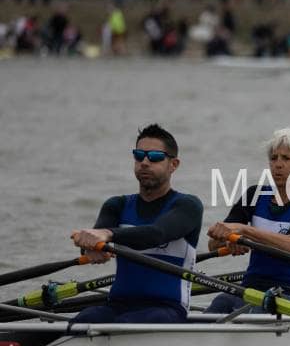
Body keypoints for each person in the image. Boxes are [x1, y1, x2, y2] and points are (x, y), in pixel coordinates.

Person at [69, 124, 203, 323]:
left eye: (155, 157)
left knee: (125, 324)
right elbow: (96, 238)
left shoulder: (188, 206)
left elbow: (155, 234)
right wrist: (90, 247)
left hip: (167, 309)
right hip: (118, 305)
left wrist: (107, 235)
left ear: (173, 164)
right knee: (84, 319)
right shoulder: (117, 205)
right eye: (139, 155)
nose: (145, 162)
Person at [205, 128, 290, 311]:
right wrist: (229, 241)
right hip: (249, 287)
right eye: (273, 158)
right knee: (220, 303)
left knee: (252, 311)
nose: (278, 164)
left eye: (286, 158)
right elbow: (213, 246)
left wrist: (244, 231)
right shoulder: (254, 195)